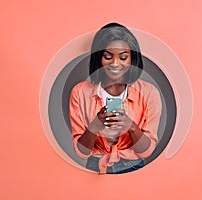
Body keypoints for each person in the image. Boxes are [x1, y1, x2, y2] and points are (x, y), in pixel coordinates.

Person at [69, 22, 162, 174]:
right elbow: (82, 152)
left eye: (123, 57)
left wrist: (131, 126)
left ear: (132, 58)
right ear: (98, 57)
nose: (115, 63)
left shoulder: (149, 93)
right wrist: (95, 126)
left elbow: (146, 152)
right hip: (95, 167)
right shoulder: (80, 93)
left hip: (133, 167)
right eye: (107, 56)